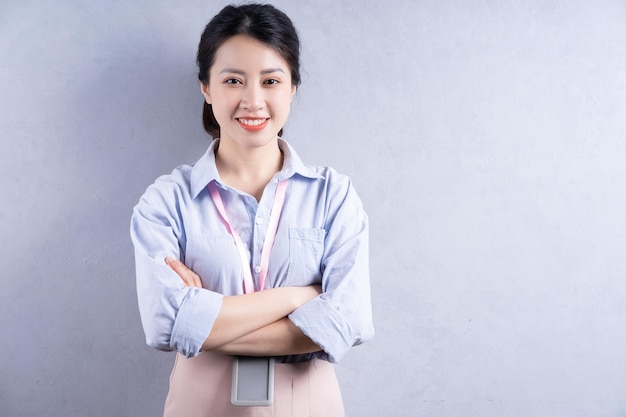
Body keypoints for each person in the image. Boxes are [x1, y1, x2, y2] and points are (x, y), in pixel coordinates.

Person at [130, 3, 373, 416]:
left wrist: (205, 322)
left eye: (271, 80)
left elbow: (344, 323)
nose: (253, 100)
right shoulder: (167, 201)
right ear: (206, 87)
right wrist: (301, 297)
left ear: (292, 87)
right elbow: (165, 324)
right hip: (200, 405)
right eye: (233, 80)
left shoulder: (334, 195)